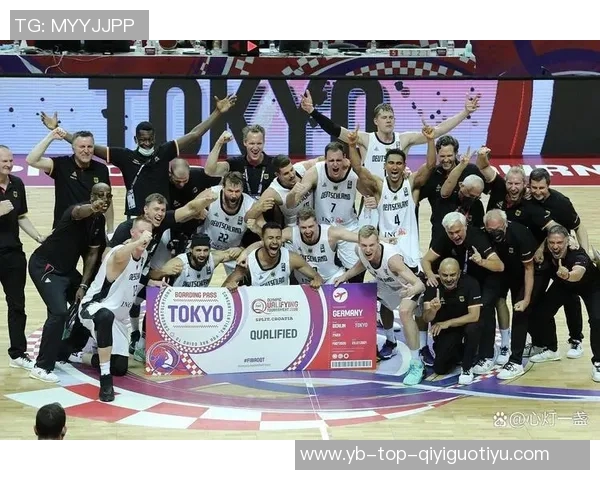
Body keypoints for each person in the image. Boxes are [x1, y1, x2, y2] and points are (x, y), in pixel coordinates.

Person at [40, 94, 236, 217]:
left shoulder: (164, 151)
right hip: (136, 216)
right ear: (136, 139)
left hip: (163, 214)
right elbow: (86, 147)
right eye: (143, 140)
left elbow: (194, 135)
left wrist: (217, 112)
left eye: (150, 139)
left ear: (154, 138)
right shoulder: (124, 156)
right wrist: (58, 130)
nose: (147, 143)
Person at [28, 183, 111, 383]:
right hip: (45, 266)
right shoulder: (76, 210)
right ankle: (41, 367)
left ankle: (65, 351)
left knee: (88, 303)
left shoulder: (99, 221)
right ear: (92, 197)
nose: (104, 199)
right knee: (58, 313)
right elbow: (78, 212)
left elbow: (92, 254)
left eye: (108, 196)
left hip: (67, 272)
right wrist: (93, 207)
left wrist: (83, 286)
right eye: (99, 195)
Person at [300, 90, 480, 180]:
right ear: (375, 121)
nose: (388, 120)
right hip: (372, 197)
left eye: (391, 117)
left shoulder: (404, 139)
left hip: (396, 197)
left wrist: (465, 112)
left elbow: (439, 130)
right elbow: (334, 129)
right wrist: (313, 112)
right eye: (384, 117)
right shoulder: (365, 138)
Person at [335, 225, 426, 384]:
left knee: (405, 312)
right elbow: (362, 264)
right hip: (388, 282)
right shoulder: (360, 251)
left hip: (409, 283)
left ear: (378, 242)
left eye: (372, 245)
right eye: (364, 245)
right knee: (375, 298)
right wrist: (345, 276)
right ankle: (391, 342)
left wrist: (410, 291)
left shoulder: (392, 260)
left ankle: (417, 364)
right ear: (359, 243)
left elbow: (419, 284)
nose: (367, 249)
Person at [78, 217, 153, 401]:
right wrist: (137, 242)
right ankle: (105, 381)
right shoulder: (121, 252)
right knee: (105, 315)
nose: (146, 236)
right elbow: (120, 257)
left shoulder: (143, 255)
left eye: (148, 233)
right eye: (141, 232)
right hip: (94, 307)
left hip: (117, 319)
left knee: (119, 367)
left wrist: (155, 281)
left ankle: (78, 356)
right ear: (132, 233)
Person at [421, 212, 505, 375]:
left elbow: (499, 266)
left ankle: (486, 355)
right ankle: (458, 347)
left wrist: (481, 261)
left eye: (458, 231)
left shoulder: (477, 238)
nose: (455, 236)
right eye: (451, 233)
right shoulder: (444, 238)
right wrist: (430, 275)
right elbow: (425, 260)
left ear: (465, 227)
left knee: (485, 307)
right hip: (459, 278)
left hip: (485, 277)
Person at [529, 167, 587, 357]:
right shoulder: (527, 199)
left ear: (549, 185)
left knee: (570, 296)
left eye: (541, 188)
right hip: (538, 259)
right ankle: (543, 343)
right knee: (536, 299)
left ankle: (576, 340)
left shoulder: (561, 203)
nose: (538, 192)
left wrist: (583, 253)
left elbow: (578, 226)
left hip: (560, 255)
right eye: (534, 187)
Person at [530, 225, 600, 382]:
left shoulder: (578, 254)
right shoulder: (548, 249)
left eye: (559, 243)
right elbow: (547, 241)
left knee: (597, 320)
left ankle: (598, 362)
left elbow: (578, 273)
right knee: (542, 311)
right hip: (565, 285)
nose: (555, 246)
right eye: (552, 242)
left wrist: (568, 275)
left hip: (591, 286)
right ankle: (552, 349)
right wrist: (541, 248)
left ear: (568, 241)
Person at [288, 142, 365, 282]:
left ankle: (354, 294)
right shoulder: (316, 171)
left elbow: (370, 191)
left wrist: (371, 199)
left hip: (348, 226)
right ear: (325, 159)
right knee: (314, 270)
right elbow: (292, 203)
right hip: (321, 229)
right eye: (331, 160)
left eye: (338, 160)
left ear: (345, 158)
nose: (335, 164)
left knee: (356, 268)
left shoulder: (353, 173)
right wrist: (294, 194)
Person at [0, 145, 45, 370]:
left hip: (13, 255)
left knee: (17, 304)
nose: (9, 165)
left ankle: (17, 353)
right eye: (4, 161)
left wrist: (38, 236)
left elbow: (21, 216)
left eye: (10, 161)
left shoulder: (17, 184)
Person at [482, 209, 537, 379]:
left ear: (505, 224)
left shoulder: (521, 234)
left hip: (521, 273)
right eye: (491, 230)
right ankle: (502, 347)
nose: (495, 233)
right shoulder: (483, 234)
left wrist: (526, 299)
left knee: (519, 310)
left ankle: (516, 361)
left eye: (498, 229)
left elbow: (529, 269)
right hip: (499, 273)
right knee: (494, 302)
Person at [25, 128, 113, 232]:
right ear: (73, 148)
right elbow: (31, 160)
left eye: (89, 146)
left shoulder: (101, 169)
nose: (86, 150)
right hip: (64, 228)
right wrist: (51, 137)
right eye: (82, 147)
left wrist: (110, 230)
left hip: (92, 229)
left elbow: (107, 200)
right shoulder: (61, 165)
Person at [422, 258, 482, 385]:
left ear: (459, 273)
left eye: (452, 275)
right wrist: (433, 310)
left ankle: (467, 368)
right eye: (445, 275)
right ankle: (459, 351)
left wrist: (447, 323)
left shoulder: (471, 283)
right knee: (440, 368)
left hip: (464, 324)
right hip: (447, 331)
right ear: (439, 273)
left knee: (473, 327)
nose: (449, 279)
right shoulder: (432, 285)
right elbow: (426, 318)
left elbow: (474, 316)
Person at [223, 222, 324, 289]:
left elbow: (317, 276)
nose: (275, 241)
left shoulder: (291, 258)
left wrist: (317, 280)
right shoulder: (248, 262)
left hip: (284, 307)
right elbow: (225, 286)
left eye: (278, 238)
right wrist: (230, 285)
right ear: (263, 240)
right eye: (270, 238)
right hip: (259, 308)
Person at [201, 171, 263, 274]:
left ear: (242, 189)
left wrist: (257, 230)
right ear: (223, 187)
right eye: (230, 190)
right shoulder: (212, 193)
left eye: (237, 191)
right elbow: (189, 208)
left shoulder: (250, 205)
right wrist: (198, 209)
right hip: (207, 248)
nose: (233, 195)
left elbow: (267, 234)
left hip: (232, 253)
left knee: (249, 272)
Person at [254, 154, 324, 227]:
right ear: (277, 174)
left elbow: (321, 159)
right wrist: (263, 228)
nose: (292, 175)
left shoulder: (301, 169)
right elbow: (250, 214)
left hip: (315, 223)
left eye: (292, 169)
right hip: (293, 228)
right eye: (286, 173)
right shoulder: (273, 191)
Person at [155, 234, 244, 287]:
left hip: (200, 301)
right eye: (198, 250)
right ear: (191, 250)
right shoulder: (178, 262)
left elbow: (240, 254)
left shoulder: (214, 258)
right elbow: (152, 276)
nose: (202, 254)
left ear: (209, 250)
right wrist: (162, 272)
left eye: (205, 250)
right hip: (178, 302)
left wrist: (241, 249)